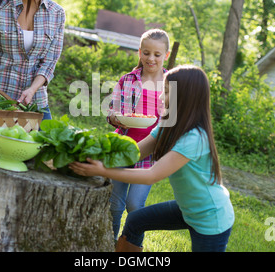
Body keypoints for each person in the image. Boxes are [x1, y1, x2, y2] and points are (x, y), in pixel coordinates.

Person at [70, 65, 235, 252]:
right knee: (135, 221)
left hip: (210, 219)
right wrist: (95, 157)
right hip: (187, 208)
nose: (160, 97)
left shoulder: (195, 138)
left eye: (165, 92)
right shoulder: (168, 124)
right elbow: (135, 152)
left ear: (184, 98)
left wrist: (102, 171)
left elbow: (152, 175)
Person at [106, 29, 170, 242]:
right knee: (115, 204)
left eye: (157, 54)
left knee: (134, 205)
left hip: (149, 154)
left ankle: (130, 247)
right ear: (139, 52)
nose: (151, 58)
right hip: (122, 147)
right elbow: (113, 111)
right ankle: (108, 244)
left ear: (166, 55)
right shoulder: (128, 80)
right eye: (146, 52)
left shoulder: (171, 84)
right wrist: (115, 117)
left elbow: (174, 121)